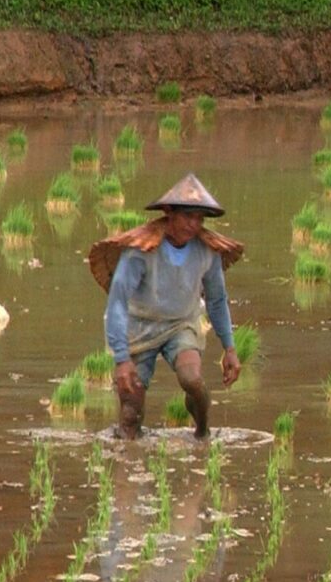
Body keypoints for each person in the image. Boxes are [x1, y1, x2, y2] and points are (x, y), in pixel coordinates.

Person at [89, 173, 244, 440]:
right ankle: (129, 459)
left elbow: (217, 300)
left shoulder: (207, 252)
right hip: (138, 327)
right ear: (169, 213)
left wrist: (229, 348)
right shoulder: (140, 251)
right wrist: (122, 359)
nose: (193, 225)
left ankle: (202, 435)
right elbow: (117, 302)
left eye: (199, 218)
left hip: (181, 324)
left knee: (192, 380)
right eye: (187, 217)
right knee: (130, 411)